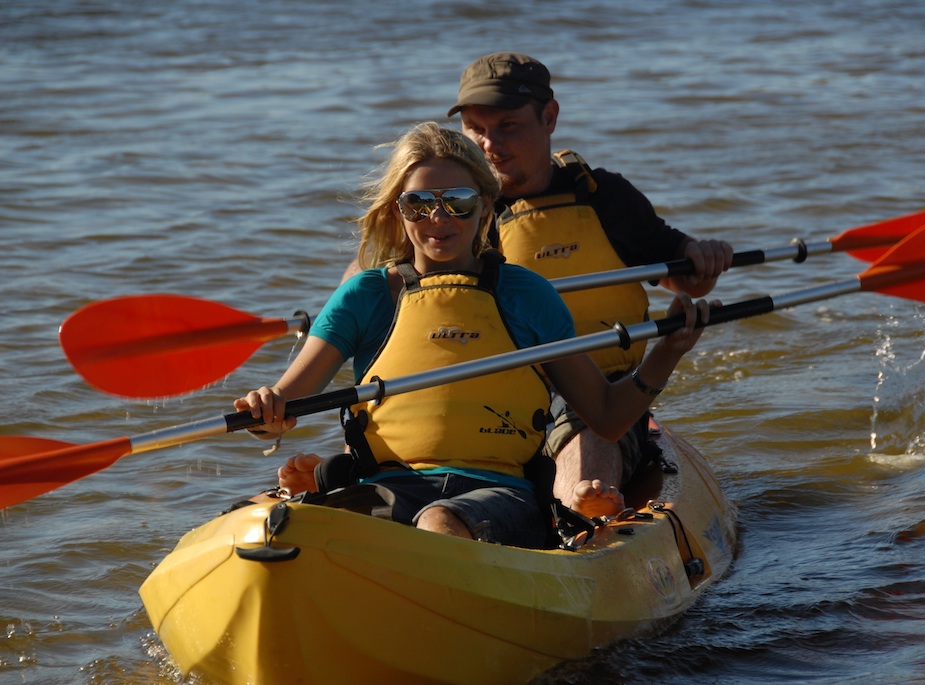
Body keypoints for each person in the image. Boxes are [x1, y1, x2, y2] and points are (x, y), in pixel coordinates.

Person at [236, 122, 711, 549]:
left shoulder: (528, 295)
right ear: (397, 210)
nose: (438, 219)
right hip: (385, 487)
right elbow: (285, 401)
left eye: (457, 203)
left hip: (498, 496)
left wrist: (668, 351)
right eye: (418, 205)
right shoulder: (365, 295)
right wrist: (266, 411)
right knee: (278, 526)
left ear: (485, 205)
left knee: (439, 521)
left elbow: (606, 418)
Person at [446, 52, 734, 517]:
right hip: (493, 394)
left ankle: (583, 517)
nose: (489, 145)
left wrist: (704, 257)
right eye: (476, 128)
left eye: (508, 126)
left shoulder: (604, 198)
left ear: (550, 117)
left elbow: (684, 277)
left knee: (588, 426)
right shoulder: (451, 210)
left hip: (600, 393)